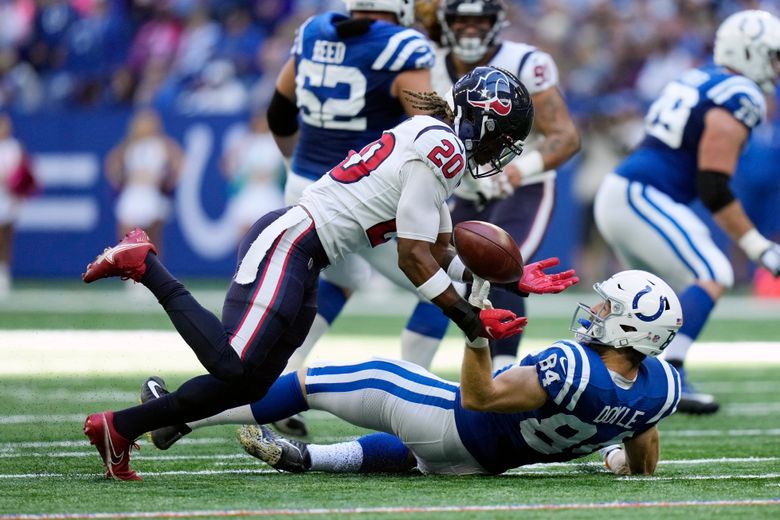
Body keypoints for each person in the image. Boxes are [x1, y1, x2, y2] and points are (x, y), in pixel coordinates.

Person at [80, 66, 548, 481]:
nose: (499, 150)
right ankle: (145, 265)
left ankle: (119, 427)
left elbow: (440, 249)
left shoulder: (435, 142)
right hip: (291, 241)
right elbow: (413, 259)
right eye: (500, 136)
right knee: (231, 364)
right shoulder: (440, 148)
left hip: (309, 256)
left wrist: (511, 279)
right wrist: (469, 319)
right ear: (480, 118)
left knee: (250, 384)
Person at [223, 270, 682, 477]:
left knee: (311, 380)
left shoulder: (573, 366)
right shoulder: (651, 394)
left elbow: (477, 397)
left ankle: (180, 417)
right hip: (481, 466)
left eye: (609, 308)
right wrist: (613, 458)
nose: (596, 311)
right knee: (411, 457)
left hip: (449, 422)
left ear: (629, 329)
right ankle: (309, 459)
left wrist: (476, 333)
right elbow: (641, 463)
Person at [265, 1, 445, 435]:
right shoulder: (403, 46)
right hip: (362, 199)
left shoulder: (314, 31)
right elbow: (429, 126)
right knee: (444, 288)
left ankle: (278, 386)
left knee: (343, 280)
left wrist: (298, 169)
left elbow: (278, 112)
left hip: (307, 184)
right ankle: (404, 405)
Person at [593, 10, 780, 415]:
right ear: (749, 51)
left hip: (627, 191)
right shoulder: (740, 93)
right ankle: (671, 372)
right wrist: (759, 248)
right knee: (713, 272)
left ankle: (603, 382)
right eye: (773, 55)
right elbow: (712, 185)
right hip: (643, 194)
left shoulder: (700, 77)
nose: (776, 66)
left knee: (646, 303)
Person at [430, 0, 581, 370]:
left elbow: (565, 137)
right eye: (462, 21)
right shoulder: (428, 64)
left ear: (496, 23)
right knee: (438, 271)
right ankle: (422, 371)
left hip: (519, 185)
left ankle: (505, 373)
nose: (471, 29)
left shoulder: (527, 62)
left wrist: (516, 171)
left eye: (479, 20)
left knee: (500, 268)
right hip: (461, 186)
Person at [104, 108, 184, 255]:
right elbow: (112, 163)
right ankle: (131, 274)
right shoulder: (128, 145)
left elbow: (179, 160)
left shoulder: (163, 144)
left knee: (152, 239)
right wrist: (120, 181)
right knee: (126, 236)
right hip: (133, 192)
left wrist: (168, 182)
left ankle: (154, 273)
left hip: (152, 194)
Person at [221, 111, 285, 236]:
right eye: (258, 118)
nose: (261, 122)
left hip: (269, 194)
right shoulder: (244, 142)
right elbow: (228, 167)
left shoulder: (277, 143)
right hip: (248, 194)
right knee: (243, 232)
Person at [0, 113, 35, 298]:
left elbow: (22, 173)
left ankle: (3, 272)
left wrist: (18, 193)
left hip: (8, 195)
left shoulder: (14, 147)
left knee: (6, 235)